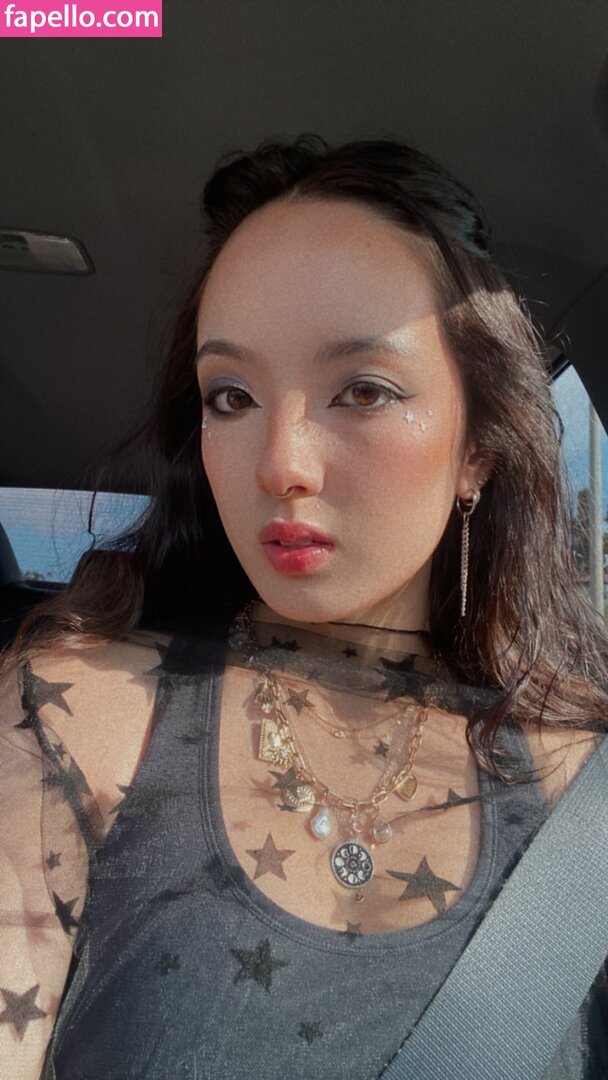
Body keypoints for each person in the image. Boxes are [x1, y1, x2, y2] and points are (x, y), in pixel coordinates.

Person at [1, 134, 606, 1080]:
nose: (281, 464)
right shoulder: (76, 712)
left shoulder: (586, 793)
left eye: (362, 390)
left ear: (478, 450)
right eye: (231, 396)